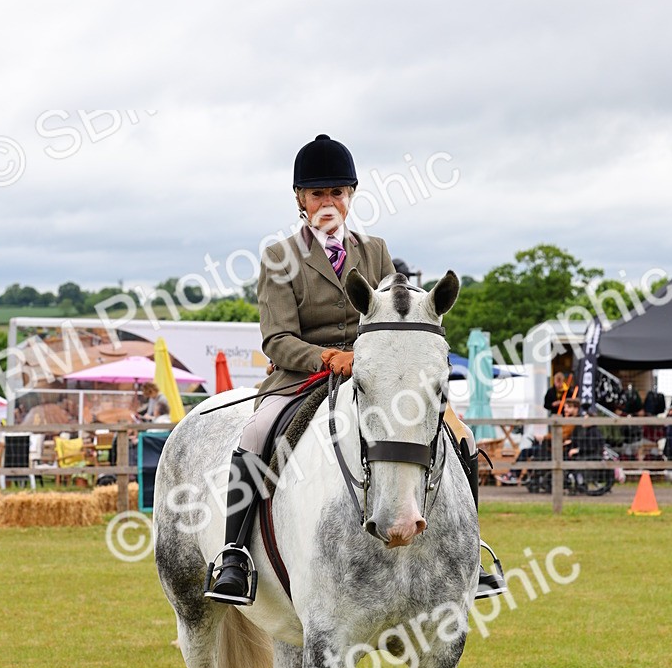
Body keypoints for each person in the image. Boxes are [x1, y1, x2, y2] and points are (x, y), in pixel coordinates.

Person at [205, 133, 505, 605]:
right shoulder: (279, 258)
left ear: (351, 196)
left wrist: (378, 361)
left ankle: (470, 550)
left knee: (459, 434)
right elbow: (277, 339)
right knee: (256, 434)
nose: (329, 202)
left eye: (337, 193)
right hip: (302, 378)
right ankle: (236, 554)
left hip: (374, 377)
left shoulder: (376, 250)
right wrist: (329, 358)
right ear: (301, 200)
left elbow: (391, 318)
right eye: (318, 193)